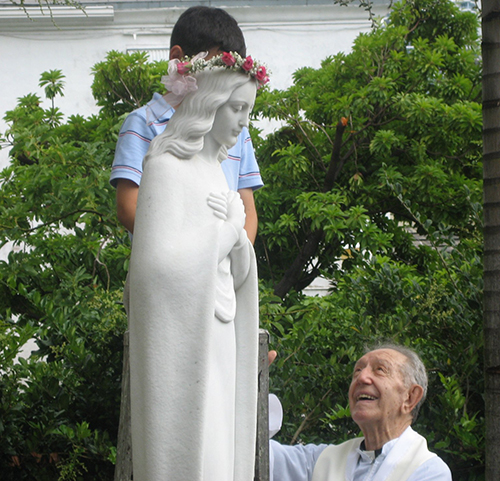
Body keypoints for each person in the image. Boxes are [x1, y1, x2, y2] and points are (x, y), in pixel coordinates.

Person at [128, 54, 267, 481]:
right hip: (183, 338)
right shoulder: (166, 168)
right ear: (209, 104)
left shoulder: (218, 175)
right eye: (237, 108)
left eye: (249, 110)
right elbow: (154, 269)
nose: (244, 121)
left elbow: (237, 269)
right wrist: (226, 234)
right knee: (198, 454)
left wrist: (236, 241)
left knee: (222, 453)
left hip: (221, 332)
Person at [110, 6, 263, 244]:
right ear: (178, 58)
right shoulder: (144, 122)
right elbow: (129, 205)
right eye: (215, 70)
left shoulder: (236, 131)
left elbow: (247, 208)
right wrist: (187, 253)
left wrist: (235, 257)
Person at [270, 344, 452, 481]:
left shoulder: (428, 471)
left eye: (380, 370)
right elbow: (256, 454)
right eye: (357, 371)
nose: (361, 378)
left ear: (410, 397)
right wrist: (249, 381)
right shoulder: (321, 460)